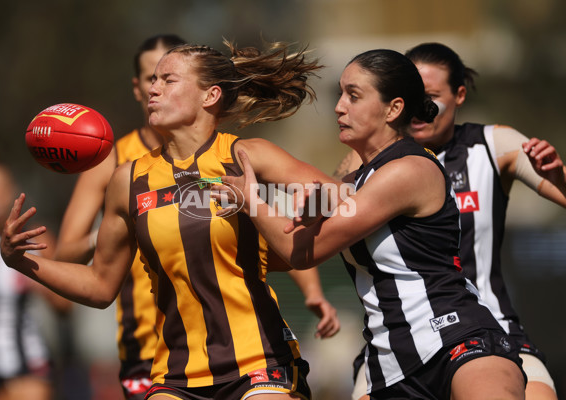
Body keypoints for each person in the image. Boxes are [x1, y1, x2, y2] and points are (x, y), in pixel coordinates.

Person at [0, 40, 343, 400]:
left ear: (209, 96)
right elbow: (100, 286)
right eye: (153, 80)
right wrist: (20, 261)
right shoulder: (127, 180)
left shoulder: (244, 155)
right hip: (175, 374)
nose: (153, 88)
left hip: (260, 362)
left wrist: (286, 203)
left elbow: (339, 197)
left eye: (168, 80)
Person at [214, 48, 527, 399]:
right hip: (392, 365)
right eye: (340, 94)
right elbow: (297, 239)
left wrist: (251, 200)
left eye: (354, 95)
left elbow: (301, 252)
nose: (339, 106)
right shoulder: (353, 183)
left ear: (393, 108)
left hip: (459, 341)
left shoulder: (409, 170)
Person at [340, 42, 563, 400]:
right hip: (397, 344)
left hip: (487, 331)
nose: (420, 106)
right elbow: (320, 228)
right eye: (413, 93)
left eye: (431, 95)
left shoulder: (492, 144)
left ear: (459, 95)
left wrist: (557, 174)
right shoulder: (364, 164)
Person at [0, 161, 71, 400]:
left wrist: (44, 285)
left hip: (28, 365)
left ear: (13, 191)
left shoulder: (39, 241)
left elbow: (66, 307)